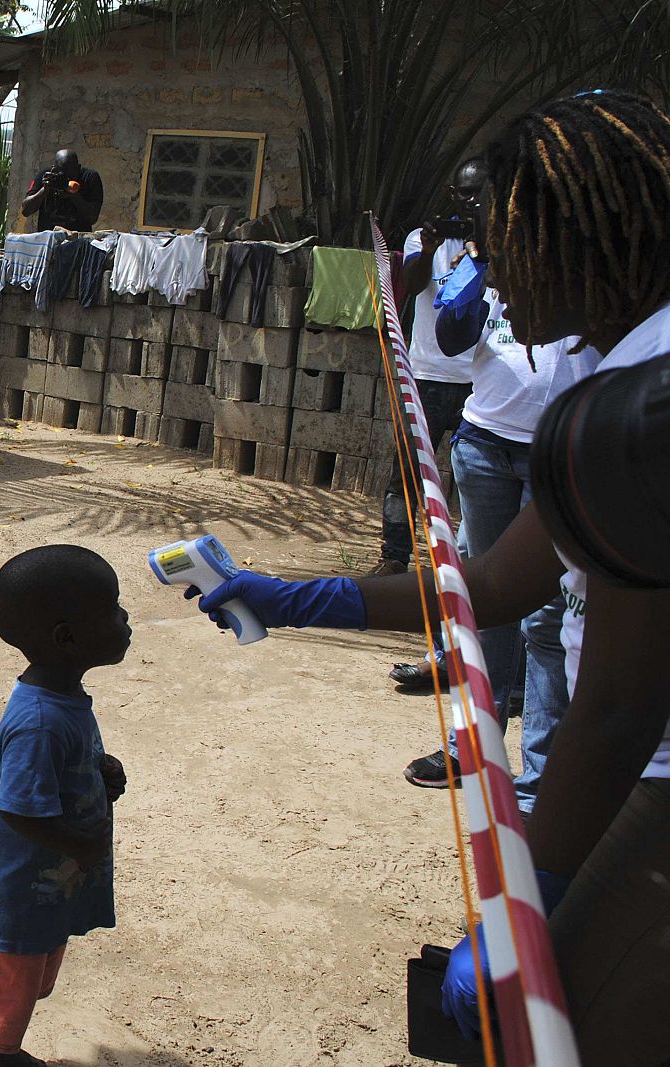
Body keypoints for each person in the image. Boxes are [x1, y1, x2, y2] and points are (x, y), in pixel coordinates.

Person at [187, 89, 670, 1061]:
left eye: (502, 247)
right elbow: (490, 587)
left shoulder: (641, 410)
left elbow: (618, 708)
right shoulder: (606, 362)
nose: (486, 281)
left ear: (573, 241)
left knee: (558, 1019)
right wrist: (291, 596)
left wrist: (515, 909)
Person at [0, 544, 130, 1067]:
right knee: (2, 980)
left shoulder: (62, 699)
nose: (124, 617)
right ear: (68, 637)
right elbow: (18, 807)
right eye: (111, 608)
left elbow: (55, 775)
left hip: (37, 883)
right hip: (17, 886)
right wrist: (80, 843)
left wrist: (100, 773)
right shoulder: (40, 719)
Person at [401, 287, 594, 794]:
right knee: (480, 607)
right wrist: (472, 274)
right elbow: (451, 340)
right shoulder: (500, 260)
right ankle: (470, 749)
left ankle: (538, 782)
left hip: (561, 453)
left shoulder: (593, 265)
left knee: (547, 619)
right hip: (485, 442)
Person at [370, 160, 484, 579]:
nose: (474, 201)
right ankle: (394, 556)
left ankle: (469, 565)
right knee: (407, 472)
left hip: (481, 380)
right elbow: (413, 283)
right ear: (453, 196)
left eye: (482, 192)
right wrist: (434, 250)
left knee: (475, 478)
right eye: (467, 193)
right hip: (428, 375)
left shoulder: (505, 238)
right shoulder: (424, 237)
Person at [20, 149, 104, 233]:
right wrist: (44, 190)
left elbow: (92, 217)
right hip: (49, 238)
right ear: (54, 168)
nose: (66, 177)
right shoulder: (46, 177)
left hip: (77, 239)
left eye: (70, 172)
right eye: (62, 172)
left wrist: (74, 195)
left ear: (78, 168)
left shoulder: (89, 178)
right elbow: (25, 211)